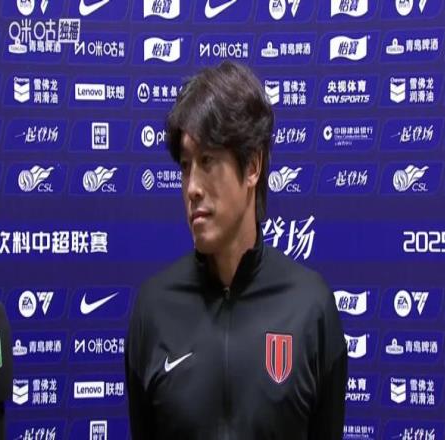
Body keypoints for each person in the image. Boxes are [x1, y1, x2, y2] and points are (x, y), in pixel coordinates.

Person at [125, 61, 347, 439]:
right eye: (185, 166)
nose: (192, 187)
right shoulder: (153, 309)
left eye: (208, 161)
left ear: (253, 166)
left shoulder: (311, 308)